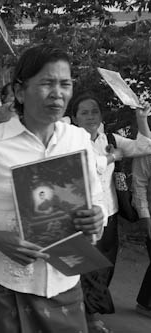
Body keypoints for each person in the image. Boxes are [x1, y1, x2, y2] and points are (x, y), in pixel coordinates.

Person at [0, 44, 106, 332]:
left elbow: (97, 202)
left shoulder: (78, 140)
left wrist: (97, 216)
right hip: (6, 286)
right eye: (47, 83)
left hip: (65, 282)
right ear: (20, 91)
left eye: (65, 84)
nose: (58, 93)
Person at [68, 91, 151, 332]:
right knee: (85, 268)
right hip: (82, 217)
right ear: (74, 117)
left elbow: (146, 146)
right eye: (84, 112)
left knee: (106, 266)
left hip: (110, 214)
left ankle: (89, 310)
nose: (91, 116)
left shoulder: (111, 140)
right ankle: (88, 316)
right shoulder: (69, 142)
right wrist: (111, 158)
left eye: (94, 111)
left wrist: (141, 119)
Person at [132, 153, 151, 318]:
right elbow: (139, 184)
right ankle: (145, 304)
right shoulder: (148, 147)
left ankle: (146, 302)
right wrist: (145, 216)